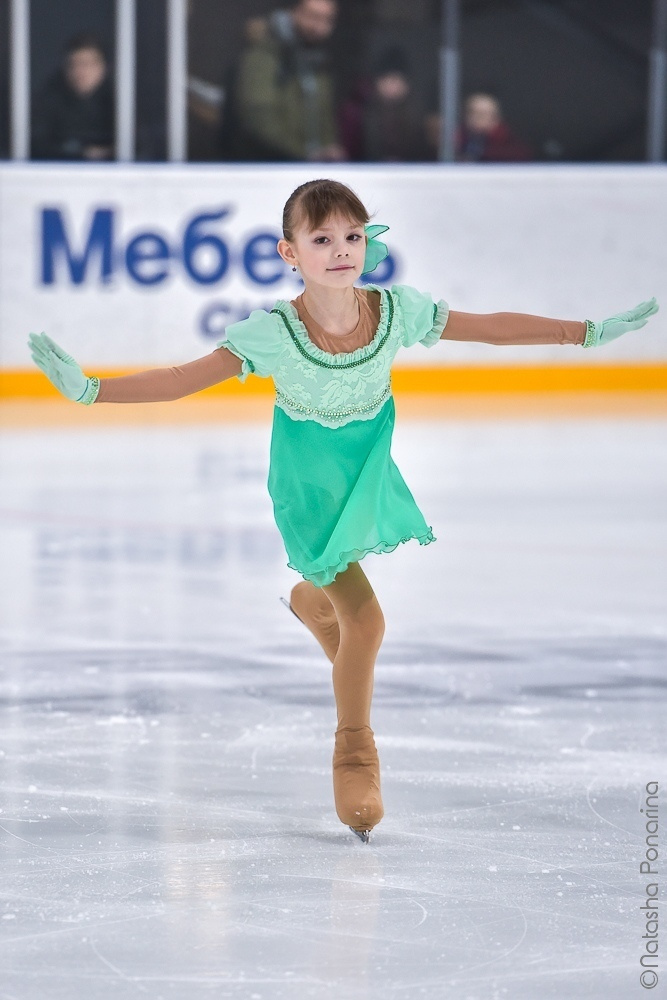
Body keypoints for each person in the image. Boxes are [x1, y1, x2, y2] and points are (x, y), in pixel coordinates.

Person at [28, 179, 659, 842]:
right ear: (289, 252)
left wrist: (581, 333)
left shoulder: (394, 311)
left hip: (367, 476)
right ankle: (354, 754)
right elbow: (183, 379)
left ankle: (312, 602)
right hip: (307, 491)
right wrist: (92, 391)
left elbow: (488, 328)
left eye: (352, 236)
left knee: (348, 617)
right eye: (322, 238)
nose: (341, 250)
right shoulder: (275, 333)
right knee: (367, 621)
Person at [220, 0, 345, 162]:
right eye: (313, 17)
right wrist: (305, 154)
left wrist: (328, 149)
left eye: (328, 20)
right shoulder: (264, 55)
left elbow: (324, 115)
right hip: (268, 165)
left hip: (311, 166)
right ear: (292, 12)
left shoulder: (317, 60)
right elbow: (259, 118)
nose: (319, 27)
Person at [32, 33, 114, 162]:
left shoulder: (118, 103)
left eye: (87, 64)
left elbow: (138, 146)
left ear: (103, 67)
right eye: (73, 64)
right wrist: (81, 152)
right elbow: (38, 145)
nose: (80, 72)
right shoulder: (50, 101)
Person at [455, 92, 533, 163]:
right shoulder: (457, 140)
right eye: (471, 113)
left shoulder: (510, 148)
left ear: (495, 118)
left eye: (482, 114)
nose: (475, 118)